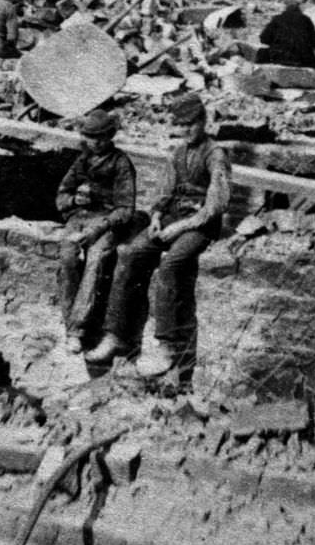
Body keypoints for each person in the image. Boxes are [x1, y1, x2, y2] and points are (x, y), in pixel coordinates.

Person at [86, 92, 230, 380]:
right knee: (130, 253)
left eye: (191, 124)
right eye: (181, 125)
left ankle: (167, 346)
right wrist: (155, 218)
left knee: (172, 264)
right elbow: (165, 193)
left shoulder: (215, 154)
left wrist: (180, 227)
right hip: (174, 216)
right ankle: (116, 334)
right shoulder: (178, 153)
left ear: (203, 122)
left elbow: (216, 205)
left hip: (201, 223)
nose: (186, 130)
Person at [55, 110, 141, 352]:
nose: (97, 143)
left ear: (111, 136)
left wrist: (99, 229)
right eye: (91, 138)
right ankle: (71, 326)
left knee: (96, 261)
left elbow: (125, 209)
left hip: (106, 222)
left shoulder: (121, 163)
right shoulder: (82, 161)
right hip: (79, 218)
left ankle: (78, 330)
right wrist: (75, 201)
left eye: (102, 137)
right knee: (68, 258)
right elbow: (61, 196)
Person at [258, 0, 315, 68]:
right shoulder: (306, 20)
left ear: (286, 9)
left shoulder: (277, 19)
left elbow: (264, 39)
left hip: (278, 56)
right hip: (302, 59)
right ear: (299, 10)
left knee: (261, 54)